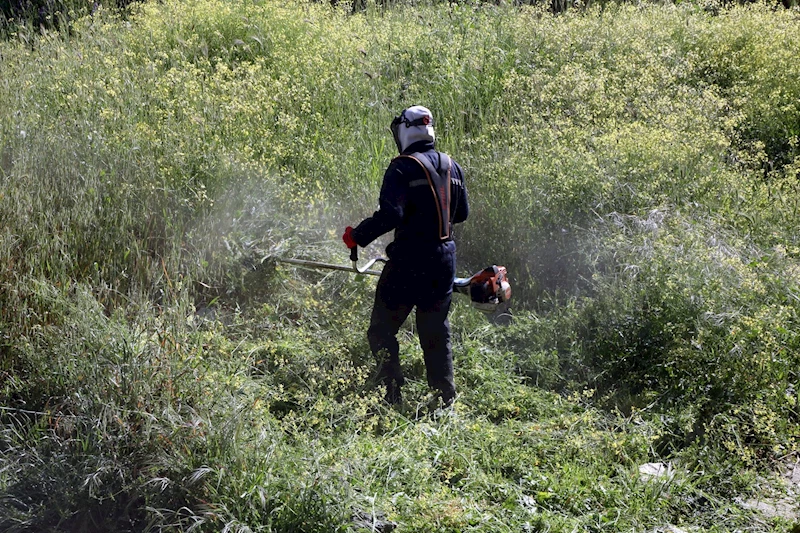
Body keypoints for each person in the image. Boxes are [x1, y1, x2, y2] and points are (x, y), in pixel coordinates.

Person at [342, 105, 469, 406]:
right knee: (435, 332)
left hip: (409, 263)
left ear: (404, 130)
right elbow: (461, 213)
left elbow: (391, 215)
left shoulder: (402, 167)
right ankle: (445, 400)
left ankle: (393, 393)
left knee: (382, 330)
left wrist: (357, 236)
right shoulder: (453, 166)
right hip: (443, 262)